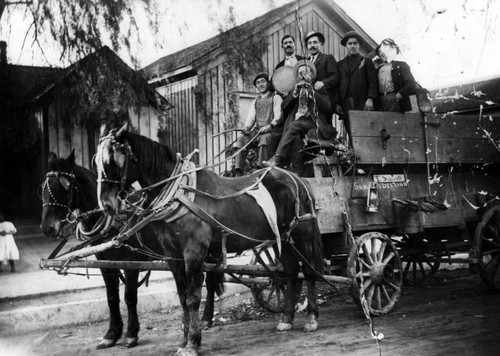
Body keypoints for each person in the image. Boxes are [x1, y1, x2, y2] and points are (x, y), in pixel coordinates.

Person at [270, 60, 336, 173]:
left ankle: (277, 158)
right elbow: (284, 107)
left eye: (306, 73)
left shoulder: (318, 89)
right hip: (296, 126)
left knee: (294, 125)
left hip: (314, 125)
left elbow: (328, 106)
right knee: (296, 138)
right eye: (300, 74)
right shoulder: (294, 89)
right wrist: (294, 93)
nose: (303, 76)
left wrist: (312, 93)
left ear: (311, 76)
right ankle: (297, 173)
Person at [232, 73, 283, 176]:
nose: (261, 84)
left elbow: (278, 116)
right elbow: (251, 119)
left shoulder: (276, 98)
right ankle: (238, 171)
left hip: (272, 131)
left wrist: (270, 126)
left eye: (263, 81)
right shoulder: (255, 101)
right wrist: (246, 128)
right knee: (241, 139)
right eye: (258, 83)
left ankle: (260, 170)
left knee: (264, 139)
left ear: (268, 83)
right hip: (258, 131)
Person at [335, 31, 378, 139]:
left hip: (362, 103)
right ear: (346, 45)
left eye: (355, 43)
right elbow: (336, 85)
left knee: (364, 132)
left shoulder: (366, 61)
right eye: (350, 44)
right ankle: (355, 156)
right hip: (346, 103)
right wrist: (337, 103)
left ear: (359, 45)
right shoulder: (340, 64)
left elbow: (373, 81)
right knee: (351, 132)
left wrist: (370, 99)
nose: (352, 46)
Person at [375, 38, 417, 112]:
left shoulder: (401, 65)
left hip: (394, 100)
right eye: (380, 51)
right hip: (379, 102)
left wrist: (398, 96)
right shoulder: (377, 70)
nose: (383, 53)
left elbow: (411, 84)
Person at [304, 30, 340, 107]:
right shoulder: (304, 63)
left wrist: (323, 83)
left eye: (315, 42)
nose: (312, 45)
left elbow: (335, 77)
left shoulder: (328, 58)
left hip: (324, 101)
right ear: (307, 46)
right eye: (309, 43)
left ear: (320, 44)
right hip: (308, 103)